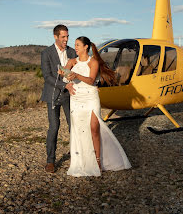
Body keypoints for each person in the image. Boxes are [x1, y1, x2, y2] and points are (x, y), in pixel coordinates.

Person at [60, 36, 131, 177]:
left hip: (90, 97)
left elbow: (91, 80)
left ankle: (98, 161)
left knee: (94, 128)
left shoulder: (93, 62)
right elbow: (63, 76)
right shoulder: (71, 61)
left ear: (86, 47)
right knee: (79, 130)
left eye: (78, 45)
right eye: (75, 45)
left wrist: (76, 75)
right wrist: (65, 76)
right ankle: (82, 160)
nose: (76, 47)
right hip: (77, 98)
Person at [40, 24, 77, 173]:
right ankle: (50, 161)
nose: (66, 39)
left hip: (70, 95)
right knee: (54, 127)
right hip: (53, 94)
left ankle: (77, 157)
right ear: (55, 36)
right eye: (63, 37)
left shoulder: (73, 52)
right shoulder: (46, 53)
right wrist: (64, 85)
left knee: (73, 127)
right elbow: (47, 76)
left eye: (67, 36)